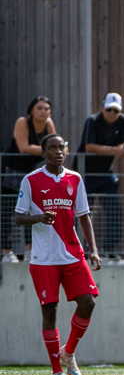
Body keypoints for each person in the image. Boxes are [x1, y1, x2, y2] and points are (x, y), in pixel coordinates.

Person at [14, 134, 102, 375]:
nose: (57, 151)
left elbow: (84, 215)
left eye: (61, 147)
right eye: (51, 148)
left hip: (73, 254)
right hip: (44, 259)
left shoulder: (75, 179)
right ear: (43, 153)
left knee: (88, 302)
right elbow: (19, 217)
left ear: (66, 150)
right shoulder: (31, 180)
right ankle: (56, 372)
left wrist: (93, 249)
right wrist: (39, 217)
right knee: (49, 311)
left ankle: (69, 351)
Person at [78, 94, 124, 260]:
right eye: (109, 109)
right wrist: (115, 150)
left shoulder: (121, 121)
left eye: (115, 110)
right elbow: (89, 147)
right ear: (102, 108)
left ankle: (110, 249)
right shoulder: (92, 121)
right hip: (86, 173)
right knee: (84, 212)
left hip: (106, 173)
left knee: (114, 209)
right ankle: (83, 249)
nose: (112, 113)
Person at [3, 96, 55, 262]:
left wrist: (60, 149)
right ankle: (6, 252)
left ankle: (30, 250)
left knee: (33, 212)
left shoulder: (49, 124)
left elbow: (56, 144)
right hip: (12, 172)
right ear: (31, 110)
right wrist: (48, 151)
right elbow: (24, 147)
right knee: (8, 211)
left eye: (46, 108)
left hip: (32, 174)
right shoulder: (22, 122)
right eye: (39, 108)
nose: (43, 112)